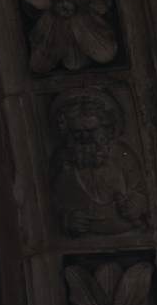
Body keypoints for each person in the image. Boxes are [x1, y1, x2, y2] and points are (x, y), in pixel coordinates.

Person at [50, 90, 148, 237]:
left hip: (128, 234)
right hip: (83, 241)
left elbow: (141, 191)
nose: (84, 137)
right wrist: (68, 219)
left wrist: (137, 204)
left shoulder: (122, 155)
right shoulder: (62, 160)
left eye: (91, 130)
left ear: (105, 128)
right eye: (77, 132)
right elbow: (52, 202)